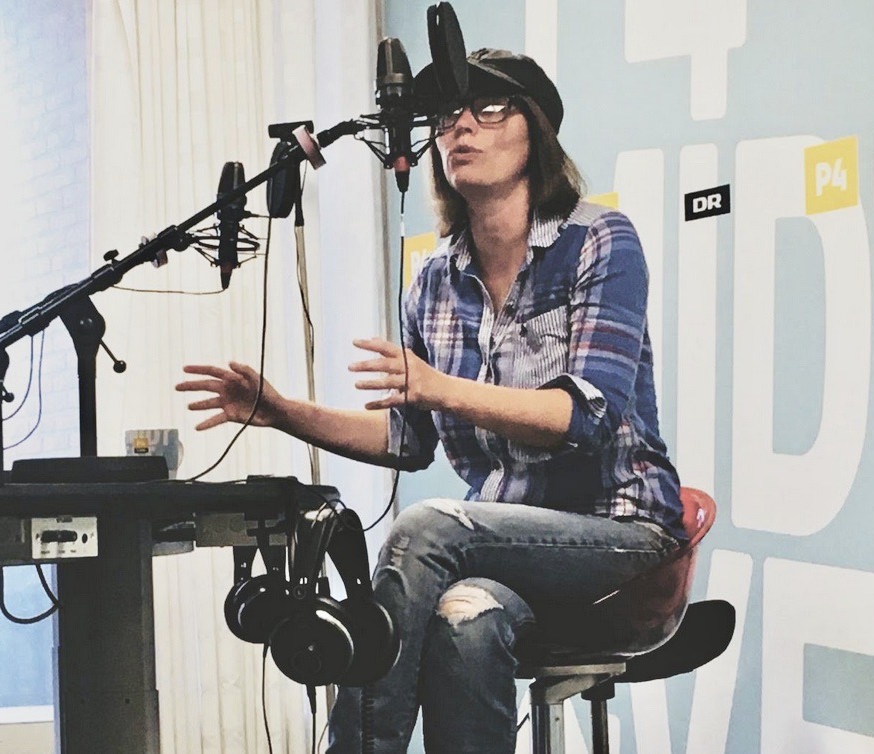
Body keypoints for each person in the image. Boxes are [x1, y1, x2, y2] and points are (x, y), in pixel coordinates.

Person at [176, 48, 684, 754]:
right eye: (447, 115)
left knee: (427, 528)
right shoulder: (435, 280)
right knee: (465, 622)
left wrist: (438, 387)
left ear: (536, 130)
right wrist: (282, 411)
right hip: (505, 550)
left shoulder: (599, 241)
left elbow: (582, 418)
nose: (460, 127)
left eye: (489, 108)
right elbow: (406, 439)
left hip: (623, 540)